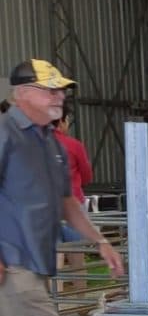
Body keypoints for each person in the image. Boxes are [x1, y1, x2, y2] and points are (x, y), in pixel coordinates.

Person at [0, 59, 124, 316]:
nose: (60, 97)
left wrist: (99, 241)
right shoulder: (5, 135)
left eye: (61, 90)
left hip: (31, 255)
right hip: (11, 256)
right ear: (22, 95)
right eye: (50, 90)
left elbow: (67, 200)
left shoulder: (51, 142)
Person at [54, 103, 91, 277]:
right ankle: (81, 299)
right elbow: (87, 176)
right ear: (61, 121)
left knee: (55, 257)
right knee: (77, 256)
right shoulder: (74, 145)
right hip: (73, 203)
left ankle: (57, 302)